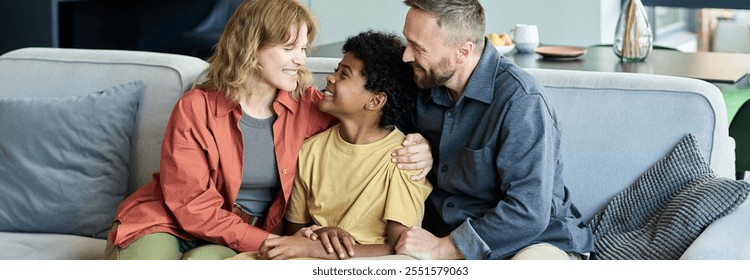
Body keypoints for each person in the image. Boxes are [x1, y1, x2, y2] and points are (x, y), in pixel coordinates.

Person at [103, 0, 432, 260]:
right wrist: (279, 241)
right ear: (250, 48)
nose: (300, 61)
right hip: (166, 222)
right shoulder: (195, 107)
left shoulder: (309, 105)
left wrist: (422, 146)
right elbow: (192, 206)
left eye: (304, 49)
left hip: (240, 237)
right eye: (289, 49)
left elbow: (370, 116)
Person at [394, 0, 595, 260]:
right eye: (407, 41)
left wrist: (446, 248)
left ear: (463, 51)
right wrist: (416, 143)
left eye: (418, 48)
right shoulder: (422, 77)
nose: (406, 56)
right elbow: (379, 131)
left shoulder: (521, 101)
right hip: (441, 235)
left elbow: (528, 212)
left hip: (533, 241)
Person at [228, 30, 432, 260]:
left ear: (375, 100)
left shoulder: (405, 159)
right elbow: (295, 230)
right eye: (336, 70)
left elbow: (401, 249)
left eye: (344, 75)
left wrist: (320, 250)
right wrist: (319, 236)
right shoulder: (311, 150)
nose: (330, 78)